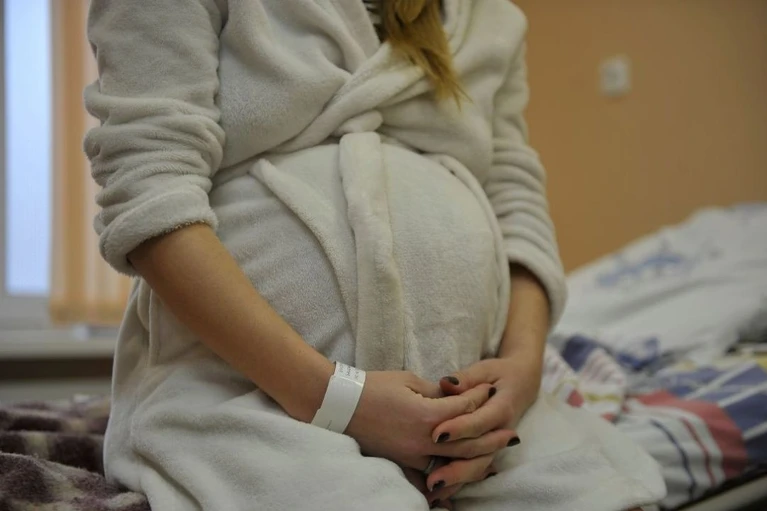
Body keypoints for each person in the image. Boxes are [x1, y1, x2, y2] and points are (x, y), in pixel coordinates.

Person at [84, 0, 664, 510]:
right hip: (243, 396)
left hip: (475, 418)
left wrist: (521, 373)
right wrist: (336, 400)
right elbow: (151, 189)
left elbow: (516, 200)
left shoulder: (494, 18)